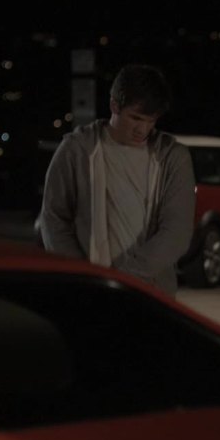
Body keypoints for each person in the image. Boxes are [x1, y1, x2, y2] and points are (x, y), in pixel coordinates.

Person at [38, 63, 196, 297]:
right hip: (90, 291)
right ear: (114, 105)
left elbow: (177, 232)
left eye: (151, 121)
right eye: (136, 118)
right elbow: (54, 219)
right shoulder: (78, 149)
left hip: (151, 294)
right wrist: (83, 273)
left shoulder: (172, 157)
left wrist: (124, 278)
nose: (142, 129)